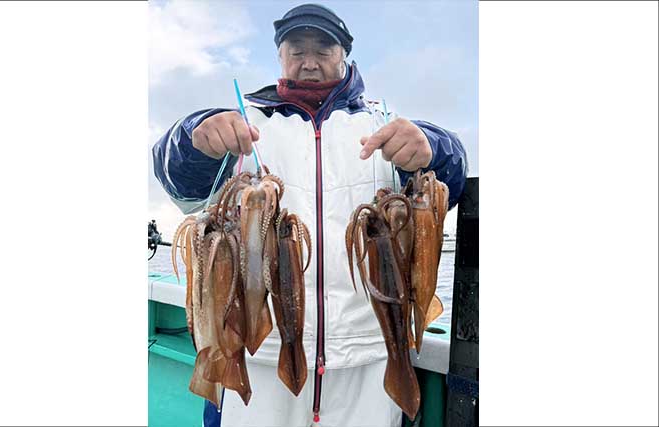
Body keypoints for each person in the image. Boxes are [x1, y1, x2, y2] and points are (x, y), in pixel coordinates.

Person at [152, 4, 467, 426]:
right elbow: (178, 181)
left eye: (323, 49)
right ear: (280, 56)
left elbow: (451, 180)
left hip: (368, 354)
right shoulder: (245, 124)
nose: (310, 61)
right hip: (258, 353)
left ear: (345, 54)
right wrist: (196, 135)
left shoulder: (381, 122)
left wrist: (432, 147)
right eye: (297, 50)